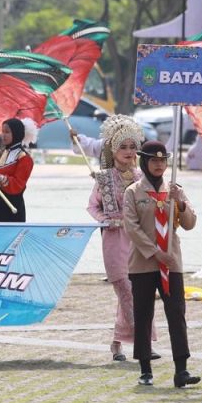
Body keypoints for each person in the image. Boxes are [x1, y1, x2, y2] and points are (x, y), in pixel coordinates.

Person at [122, 141, 199, 388]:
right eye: (154, 160)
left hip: (171, 262)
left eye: (162, 160)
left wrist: (182, 204)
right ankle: (145, 368)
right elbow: (131, 228)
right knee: (143, 314)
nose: (159, 165)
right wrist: (155, 252)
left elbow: (189, 224)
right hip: (144, 263)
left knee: (177, 313)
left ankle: (182, 369)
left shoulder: (174, 189)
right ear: (144, 162)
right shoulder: (133, 192)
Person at [86, 115, 158, 362]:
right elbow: (93, 207)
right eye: (122, 147)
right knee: (126, 290)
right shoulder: (104, 179)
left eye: (132, 146)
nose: (128, 152)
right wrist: (109, 220)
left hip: (138, 241)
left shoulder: (142, 177)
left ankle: (118, 342)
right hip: (115, 240)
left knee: (135, 291)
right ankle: (144, 343)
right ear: (112, 150)